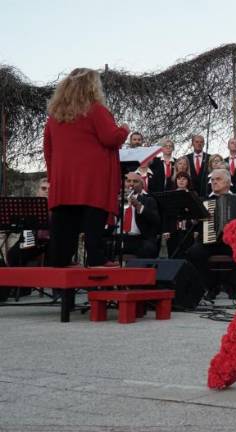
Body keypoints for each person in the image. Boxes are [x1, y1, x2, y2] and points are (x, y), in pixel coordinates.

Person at [43, 68, 129, 267]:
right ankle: (96, 258)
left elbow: (48, 148)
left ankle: (60, 260)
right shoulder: (95, 109)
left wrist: (53, 176)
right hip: (93, 176)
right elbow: (110, 138)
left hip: (64, 177)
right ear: (92, 87)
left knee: (65, 219)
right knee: (93, 217)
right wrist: (124, 130)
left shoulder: (55, 116)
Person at [185, 168, 236, 300]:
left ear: (228, 182)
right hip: (209, 240)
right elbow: (194, 222)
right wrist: (196, 219)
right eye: (212, 180)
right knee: (194, 252)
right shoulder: (204, 200)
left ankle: (232, 286)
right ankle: (211, 286)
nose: (214, 182)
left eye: (218, 179)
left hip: (231, 242)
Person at [1, 179, 50, 301]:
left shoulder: (57, 208)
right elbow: (24, 228)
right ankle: (19, 286)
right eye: (43, 188)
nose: (46, 191)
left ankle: (24, 286)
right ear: (38, 191)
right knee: (13, 254)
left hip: (48, 241)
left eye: (49, 189)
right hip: (30, 238)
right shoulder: (30, 207)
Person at [119, 172, 161, 259]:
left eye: (135, 181)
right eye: (128, 181)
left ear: (142, 185)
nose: (131, 184)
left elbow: (156, 220)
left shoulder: (148, 200)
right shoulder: (117, 198)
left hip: (139, 239)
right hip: (120, 237)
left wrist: (139, 206)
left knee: (148, 248)